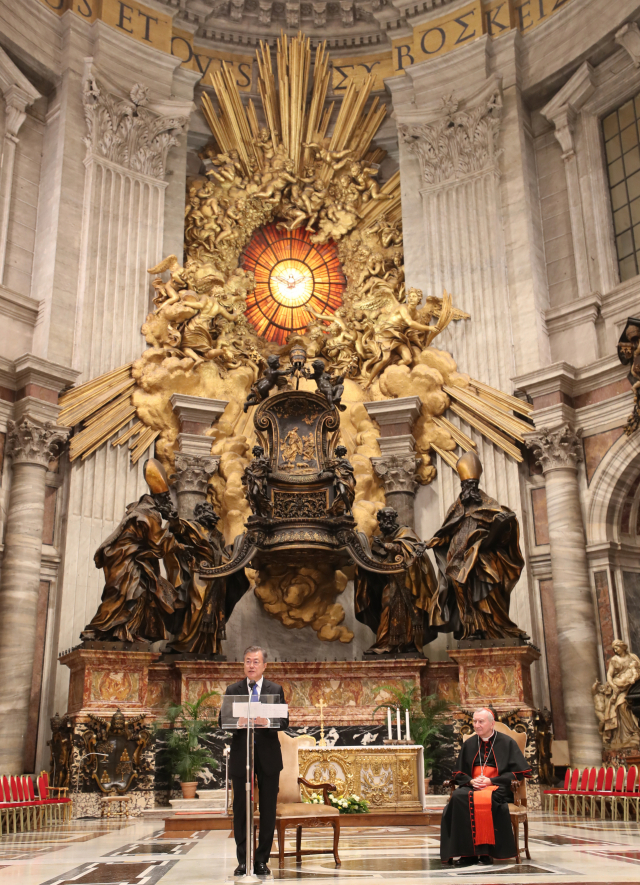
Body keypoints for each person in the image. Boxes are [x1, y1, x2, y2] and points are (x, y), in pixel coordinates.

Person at [220, 646, 289, 877]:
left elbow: (284, 721)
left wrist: (266, 720)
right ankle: (243, 861)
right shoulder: (233, 689)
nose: (251, 665)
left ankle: (261, 860)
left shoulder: (275, 689)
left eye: (256, 661)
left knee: (267, 810)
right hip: (242, 756)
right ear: (244, 664)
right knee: (241, 809)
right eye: (248, 661)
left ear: (264, 665)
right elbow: (222, 721)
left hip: (268, 756)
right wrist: (238, 722)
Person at [440, 708, 531, 867]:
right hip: (473, 784)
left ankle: (486, 852)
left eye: (481, 721)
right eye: (475, 721)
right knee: (458, 797)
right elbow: (458, 773)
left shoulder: (507, 742)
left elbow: (519, 773)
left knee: (488, 800)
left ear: (491, 723)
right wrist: (471, 781)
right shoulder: (469, 744)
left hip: (498, 786)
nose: (477, 725)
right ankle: (468, 854)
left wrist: (491, 781)